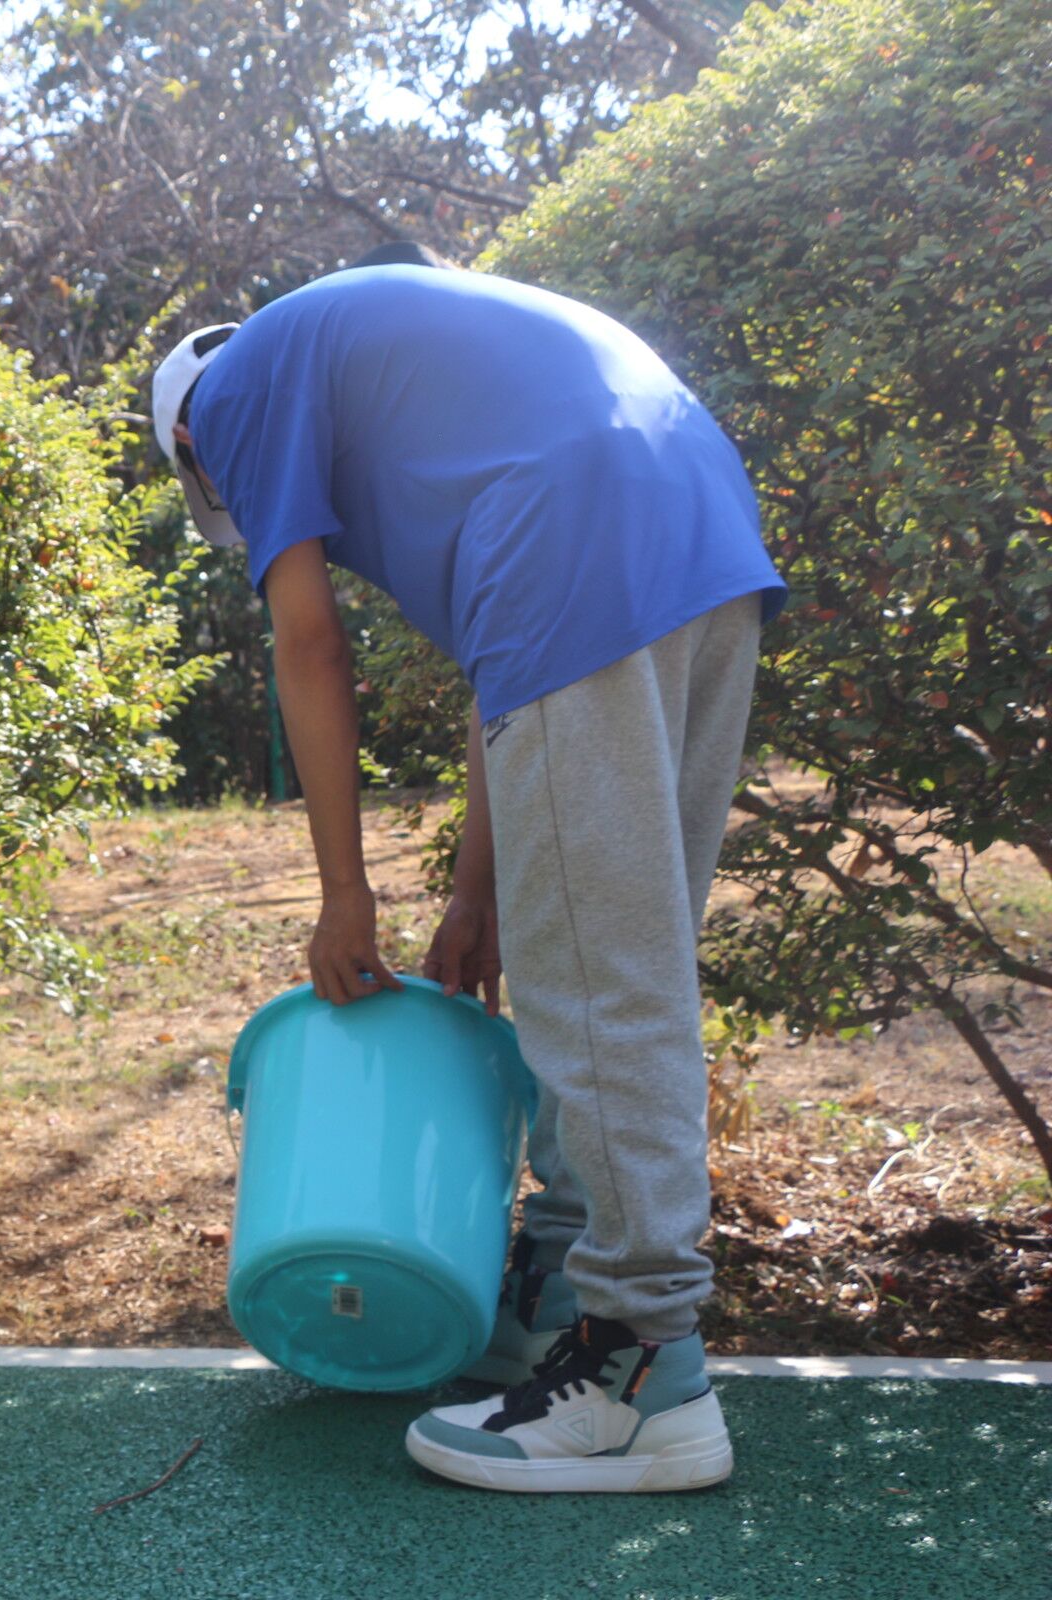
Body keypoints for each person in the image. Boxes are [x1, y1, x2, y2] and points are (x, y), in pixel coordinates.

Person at [149, 248, 782, 1493]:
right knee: (615, 961)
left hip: (585, 542)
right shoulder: (397, 387)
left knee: (599, 987)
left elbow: (308, 645)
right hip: (703, 523)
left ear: (190, 445)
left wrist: (345, 893)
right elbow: (509, 670)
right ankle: (561, 1302)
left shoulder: (237, 390)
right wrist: (478, 895)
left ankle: (642, 1373)